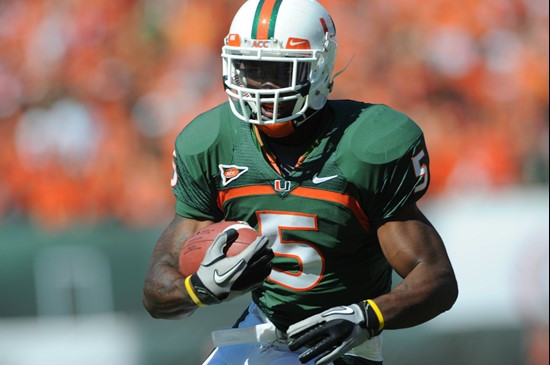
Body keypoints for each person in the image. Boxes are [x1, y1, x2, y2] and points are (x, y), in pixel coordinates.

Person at [142, 0, 458, 364]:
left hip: (341, 340)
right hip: (261, 330)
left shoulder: (365, 145)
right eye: (249, 69)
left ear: (319, 68)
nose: (260, 87)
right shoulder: (212, 142)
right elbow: (156, 292)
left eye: (277, 72)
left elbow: (435, 279)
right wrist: (199, 288)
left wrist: (365, 316)